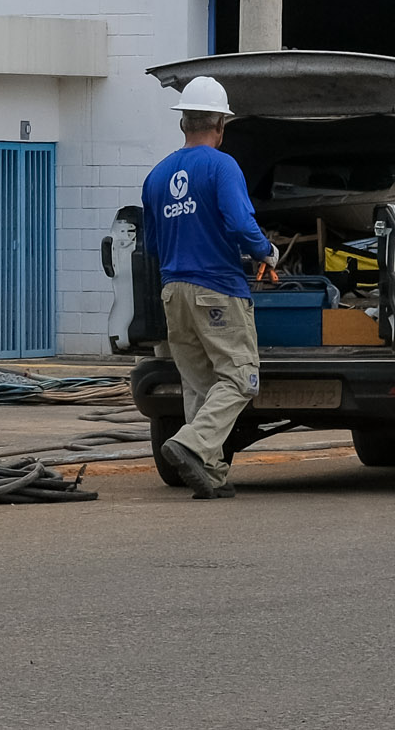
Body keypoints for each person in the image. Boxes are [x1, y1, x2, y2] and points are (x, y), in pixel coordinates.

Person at [142, 75, 277, 500]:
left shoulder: (156, 176)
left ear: (183, 122)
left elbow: (151, 244)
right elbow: (240, 224)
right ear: (220, 124)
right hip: (216, 289)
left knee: (199, 384)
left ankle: (211, 472)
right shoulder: (222, 166)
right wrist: (266, 251)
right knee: (240, 378)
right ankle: (192, 444)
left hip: (172, 290)